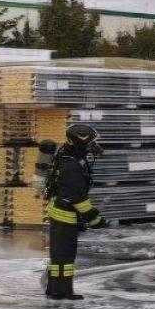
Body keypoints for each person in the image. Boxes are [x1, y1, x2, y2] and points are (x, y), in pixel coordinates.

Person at [43, 123, 105, 300]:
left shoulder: (68, 154)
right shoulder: (71, 165)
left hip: (62, 211)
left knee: (60, 255)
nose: (94, 145)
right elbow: (78, 197)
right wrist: (95, 219)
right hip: (65, 215)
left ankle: (55, 289)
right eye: (91, 141)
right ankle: (60, 292)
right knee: (64, 256)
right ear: (81, 141)